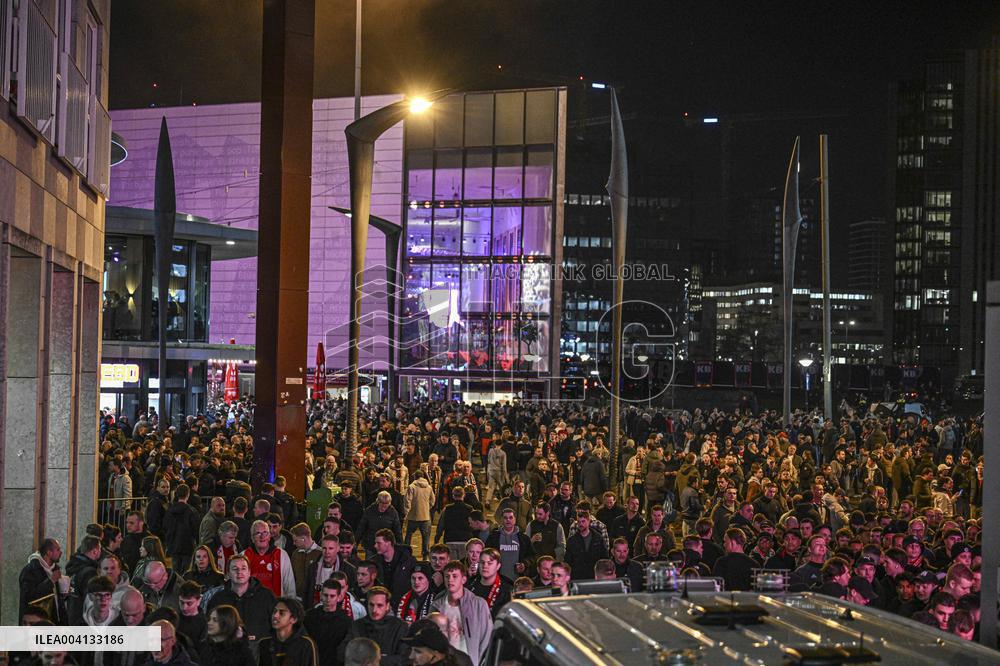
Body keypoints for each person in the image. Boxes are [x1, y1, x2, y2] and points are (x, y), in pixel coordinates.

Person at [207, 555, 277, 657]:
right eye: (235, 569)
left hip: (261, 654)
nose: (239, 572)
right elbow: (210, 629)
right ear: (228, 574)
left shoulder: (266, 596)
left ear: (249, 572)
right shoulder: (218, 599)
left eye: (243, 568)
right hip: (227, 654)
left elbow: (277, 625)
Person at [431, 561, 493, 663]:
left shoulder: (479, 605)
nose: (450, 580)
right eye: (447, 576)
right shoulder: (436, 605)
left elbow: (487, 638)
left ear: (463, 579)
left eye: (455, 576)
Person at [343, 586, 408, 665]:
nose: (374, 610)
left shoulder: (400, 627)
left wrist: (375, 660)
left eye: (379, 605)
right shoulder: (357, 625)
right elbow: (343, 651)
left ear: (387, 606)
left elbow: (404, 657)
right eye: (371, 605)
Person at [305, 578, 354, 666]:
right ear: (320, 595)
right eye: (325, 595)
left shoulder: (346, 621)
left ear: (338, 597)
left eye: (332, 596)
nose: (328, 599)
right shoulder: (309, 617)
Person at [257, 597, 319, 666]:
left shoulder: (305, 644)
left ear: (294, 619)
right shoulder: (264, 643)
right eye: (274, 611)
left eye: (282, 613)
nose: (275, 615)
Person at [244, 519, 296, 599]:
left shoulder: (281, 555)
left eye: (265, 532)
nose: (262, 536)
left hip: (275, 605)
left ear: (269, 536)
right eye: (258, 533)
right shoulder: (244, 556)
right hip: (250, 605)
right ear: (252, 538)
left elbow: (289, 585)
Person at [19, 538, 65, 622]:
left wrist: (64, 595)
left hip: (54, 623)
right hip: (35, 625)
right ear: (49, 552)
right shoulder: (30, 571)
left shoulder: (54, 569)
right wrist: (50, 581)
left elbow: (55, 599)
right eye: (58, 549)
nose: (61, 552)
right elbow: (29, 597)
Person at [485, 508, 536, 582]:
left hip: (518, 580)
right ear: (501, 520)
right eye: (505, 518)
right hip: (497, 579)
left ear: (515, 520)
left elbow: (532, 556)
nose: (508, 520)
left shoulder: (524, 538)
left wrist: (524, 564)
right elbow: (486, 555)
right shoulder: (493, 537)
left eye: (511, 517)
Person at [373, 529, 417, 603]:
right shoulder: (374, 562)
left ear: (388, 543)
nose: (375, 546)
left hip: (403, 602)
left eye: (379, 543)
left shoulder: (408, 561)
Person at [468, 548, 513, 618]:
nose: (485, 566)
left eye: (489, 563)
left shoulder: (506, 590)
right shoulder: (469, 585)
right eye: (482, 562)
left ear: (498, 566)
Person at [565, 510, 606, 581]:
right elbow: (568, 561)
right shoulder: (572, 541)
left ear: (589, 521)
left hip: (595, 576)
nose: (581, 524)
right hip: (577, 577)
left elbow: (604, 557)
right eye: (579, 522)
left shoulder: (598, 538)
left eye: (583, 521)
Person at [405, 470, 436, 559]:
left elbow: (408, 501)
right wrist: (427, 508)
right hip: (425, 516)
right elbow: (432, 501)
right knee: (426, 538)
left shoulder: (411, 487)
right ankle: (425, 556)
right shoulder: (429, 487)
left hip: (413, 516)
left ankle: (406, 554)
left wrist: (408, 511)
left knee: (408, 536)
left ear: (415, 477)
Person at [289, 523, 322, 602]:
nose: (294, 543)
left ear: (303, 538)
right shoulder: (295, 554)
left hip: (314, 598)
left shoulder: (320, 553)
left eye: (295, 540)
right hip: (297, 597)